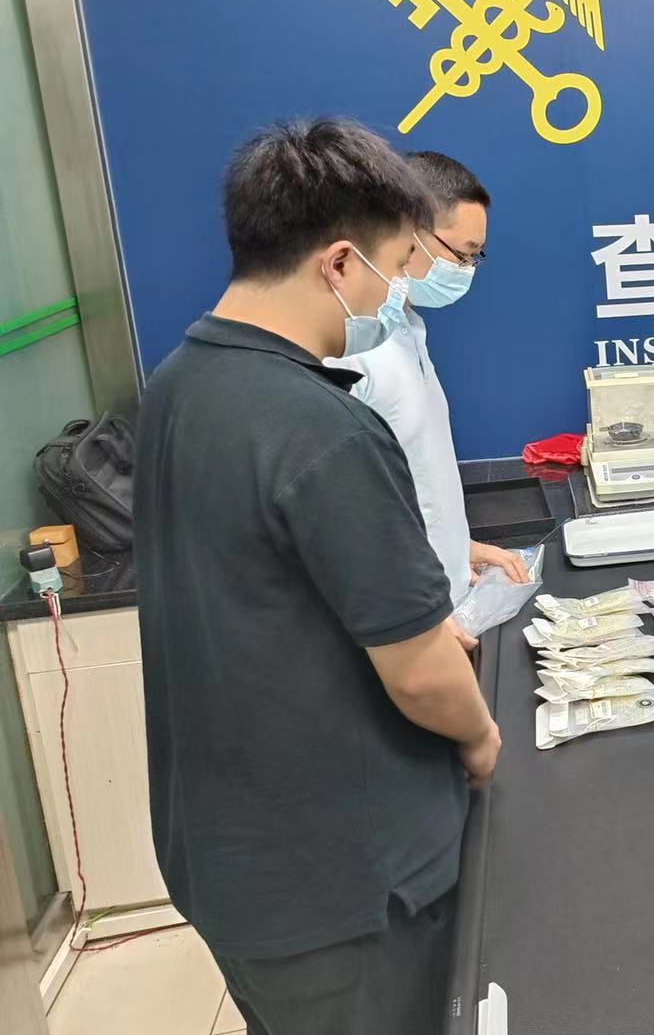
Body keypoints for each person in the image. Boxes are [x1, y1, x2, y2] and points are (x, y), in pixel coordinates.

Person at [135, 119, 502, 1035]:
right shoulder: (319, 425)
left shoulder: (181, 382)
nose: (396, 291)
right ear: (339, 263)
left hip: (233, 854)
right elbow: (420, 672)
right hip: (339, 884)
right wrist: (479, 735)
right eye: (395, 265)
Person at [329, 150, 529, 614]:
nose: (466, 269)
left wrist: (457, 547)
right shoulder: (348, 349)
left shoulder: (405, 328)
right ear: (406, 232)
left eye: (476, 258)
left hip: (439, 601)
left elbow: (417, 476)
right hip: (404, 617)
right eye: (462, 254)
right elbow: (345, 520)